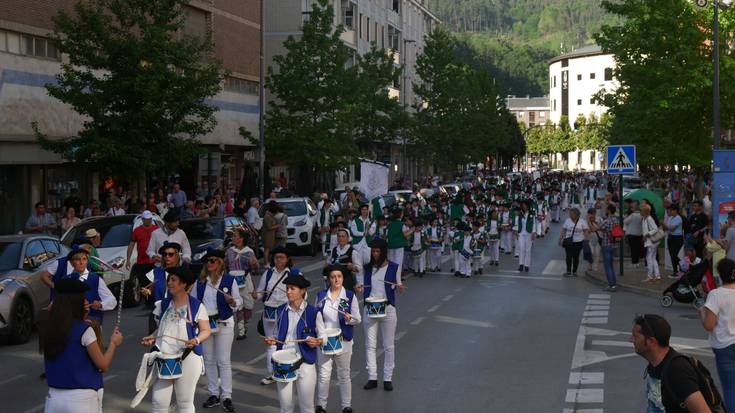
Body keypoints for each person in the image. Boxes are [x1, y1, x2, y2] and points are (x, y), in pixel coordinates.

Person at [41, 279, 123, 413]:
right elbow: (103, 365)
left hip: (53, 398)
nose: (86, 302)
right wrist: (114, 343)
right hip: (81, 400)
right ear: (76, 302)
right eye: (83, 299)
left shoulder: (48, 327)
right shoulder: (84, 330)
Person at [140, 266, 211, 413]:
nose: (169, 283)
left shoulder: (196, 306)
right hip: (165, 357)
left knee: (184, 402)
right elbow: (161, 329)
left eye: (173, 280)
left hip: (188, 358)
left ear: (184, 284)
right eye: (169, 280)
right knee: (158, 402)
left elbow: (206, 330)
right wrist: (152, 337)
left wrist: (196, 340)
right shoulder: (164, 304)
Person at [632, 314, 719, 413]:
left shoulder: (678, 371)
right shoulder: (655, 364)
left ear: (651, 341)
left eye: (635, 336)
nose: (631, 340)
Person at [262, 274, 324, 413]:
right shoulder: (281, 310)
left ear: (302, 291)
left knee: (307, 407)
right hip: (284, 362)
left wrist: (317, 341)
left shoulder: (313, 312)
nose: (288, 291)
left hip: (305, 362)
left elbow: (323, 336)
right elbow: (277, 334)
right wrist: (272, 339)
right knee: (285, 407)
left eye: (292, 288)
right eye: (287, 288)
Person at [194, 249, 242, 412]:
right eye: (207, 261)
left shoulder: (229, 280)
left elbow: (239, 302)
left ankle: (226, 396)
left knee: (223, 361)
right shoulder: (200, 282)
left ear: (220, 262)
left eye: (213, 260)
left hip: (224, 323)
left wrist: (233, 302)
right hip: (206, 324)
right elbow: (193, 302)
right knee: (208, 360)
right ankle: (213, 394)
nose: (209, 263)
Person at [355, 239, 406, 392]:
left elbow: (397, 286)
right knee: (370, 345)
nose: (375, 254)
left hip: (388, 309)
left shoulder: (394, 267)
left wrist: (400, 288)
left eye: (378, 251)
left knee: (388, 345)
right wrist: (359, 288)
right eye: (373, 251)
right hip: (370, 308)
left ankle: (387, 378)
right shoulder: (367, 268)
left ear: (383, 252)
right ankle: (372, 377)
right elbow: (363, 287)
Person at [315, 265, 361, 413]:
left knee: (344, 375)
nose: (336, 279)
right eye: (333, 276)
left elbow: (358, 319)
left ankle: (346, 406)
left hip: (343, 341)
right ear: (329, 279)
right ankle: (321, 406)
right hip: (325, 341)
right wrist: (320, 335)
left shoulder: (348, 296)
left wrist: (349, 319)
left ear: (343, 278)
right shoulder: (322, 296)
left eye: (339, 276)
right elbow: (316, 318)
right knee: (323, 375)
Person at [253, 246, 300, 385]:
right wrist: (257, 295)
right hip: (269, 312)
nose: (278, 260)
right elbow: (261, 292)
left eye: (282, 257)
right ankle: (272, 373)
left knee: (287, 341)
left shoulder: (294, 273)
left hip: (286, 310)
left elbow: (303, 293)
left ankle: (290, 368)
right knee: (271, 343)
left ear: (287, 259)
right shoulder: (268, 274)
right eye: (276, 257)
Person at [48, 243, 117, 324]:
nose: (81, 262)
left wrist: (101, 304)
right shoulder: (65, 280)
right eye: (77, 259)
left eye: (84, 259)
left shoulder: (95, 279)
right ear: (71, 263)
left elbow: (112, 300)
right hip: (71, 323)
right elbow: (56, 302)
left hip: (93, 321)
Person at [700, 258, 735, 412]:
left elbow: (709, 325)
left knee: (730, 388)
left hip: (724, 347)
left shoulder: (716, 294)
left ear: (720, 275)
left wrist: (702, 313)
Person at [225, 228, 258, 340]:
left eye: (235, 236)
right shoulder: (229, 251)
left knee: (248, 306)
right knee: (238, 306)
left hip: (246, 280)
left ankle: (245, 323)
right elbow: (225, 265)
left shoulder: (249, 252)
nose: (233, 238)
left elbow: (254, 270)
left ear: (241, 238)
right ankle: (241, 331)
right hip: (233, 281)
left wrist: (253, 264)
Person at [127, 210, 159, 298]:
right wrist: (128, 260)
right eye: (146, 219)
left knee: (155, 281)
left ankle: (155, 298)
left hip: (154, 261)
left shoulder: (156, 229)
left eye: (149, 219)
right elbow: (131, 244)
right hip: (142, 262)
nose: (148, 221)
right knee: (144, 282)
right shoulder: (137, 231)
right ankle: (148, 299)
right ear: (142, 219)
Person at [559, 207, 589, 277]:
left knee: (576, 257)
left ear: (576, 214)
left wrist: (586, 240)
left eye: (572, 214)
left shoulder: (582, 221)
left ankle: (575, 271)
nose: (570, 215)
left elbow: (586, 231)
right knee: (568, 256)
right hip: (568, 241)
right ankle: (568, 271)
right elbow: (564, 230)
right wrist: (560, 239)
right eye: (570, 214)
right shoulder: (567, 221)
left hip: (578, 242)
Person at [600, 204, 621, 292]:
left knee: (607, 266)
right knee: (611, 265)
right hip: (614, 245)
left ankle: (611, 285)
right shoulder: (616, 220)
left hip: (606, 244)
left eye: (606, 209)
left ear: (608, 210)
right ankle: (613, 284)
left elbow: (600, 227)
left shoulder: (607, 220)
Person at [514, 199, 537, 273]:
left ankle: (526, 265)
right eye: (523, 205)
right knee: (521, 248)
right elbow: (517, 222)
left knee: (528, 249)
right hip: (521, 233)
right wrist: (516, 231)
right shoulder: (520, 214)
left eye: (525, 205)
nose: (524, 206)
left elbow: (534, 223)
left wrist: (534, 232)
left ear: (528, 206)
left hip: (529, 233)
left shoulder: (531, 213)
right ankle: (521, 264)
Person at [642, 204, 662, 283]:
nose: (640, 212)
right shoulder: (646, 218)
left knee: (649, 258)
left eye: (641, 210)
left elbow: (655, 229)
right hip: (651, 241)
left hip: (651, 242)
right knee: (652, 258)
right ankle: (657, 275)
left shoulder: (649, 219)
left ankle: (650, 276)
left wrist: (647, 234)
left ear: (645, 211)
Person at [664, 205, 685, 277]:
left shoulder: (678, 218)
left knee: (674, 255)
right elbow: (667, 228)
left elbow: (672, 228)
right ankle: (678, 269)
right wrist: (666, 226)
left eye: (671, 210)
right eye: (669, 211)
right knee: (672, 255)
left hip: (677, 238)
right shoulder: (670, 218)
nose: (670, 212)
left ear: (676, 210)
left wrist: (664, 225)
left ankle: (680, 269)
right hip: (671, 237)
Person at [625, 200, 645, 268]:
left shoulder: (632, 215)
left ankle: (634, 263)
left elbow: (625, 221)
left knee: (633, 249)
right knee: (637, 249)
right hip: (639, 234)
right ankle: (637, 262)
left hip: (632, 234)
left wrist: (626, 217)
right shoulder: (641, 216)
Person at [262, 201, 280, 267]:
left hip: (270, 235)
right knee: (266, 249)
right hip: (267, 235)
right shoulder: (267, 216)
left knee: (268, 249)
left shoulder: (270, 216)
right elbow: (269, 227)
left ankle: (268, 262)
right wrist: (278, 226)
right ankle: (266, 263)